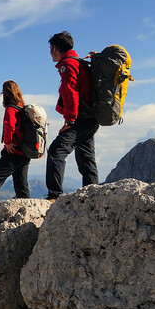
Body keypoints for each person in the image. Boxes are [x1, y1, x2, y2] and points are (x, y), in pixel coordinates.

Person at [45, 30, 99, 199]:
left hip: (80, 119)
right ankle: (93, 195)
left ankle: (54, 196)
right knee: (86, 158)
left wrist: (69, 121)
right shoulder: (79, 62)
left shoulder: (67, 64)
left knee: (56, 152)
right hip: (91, 118)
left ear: (54, 48)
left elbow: (70, 92)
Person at [0, 80, 31, 202]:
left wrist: (8, 142)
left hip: (13, 151)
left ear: (5, 93)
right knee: (21, 185)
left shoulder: (11, 109)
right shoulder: (22, 108)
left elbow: (9, 125)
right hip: (25, 152)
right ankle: (27, 209)